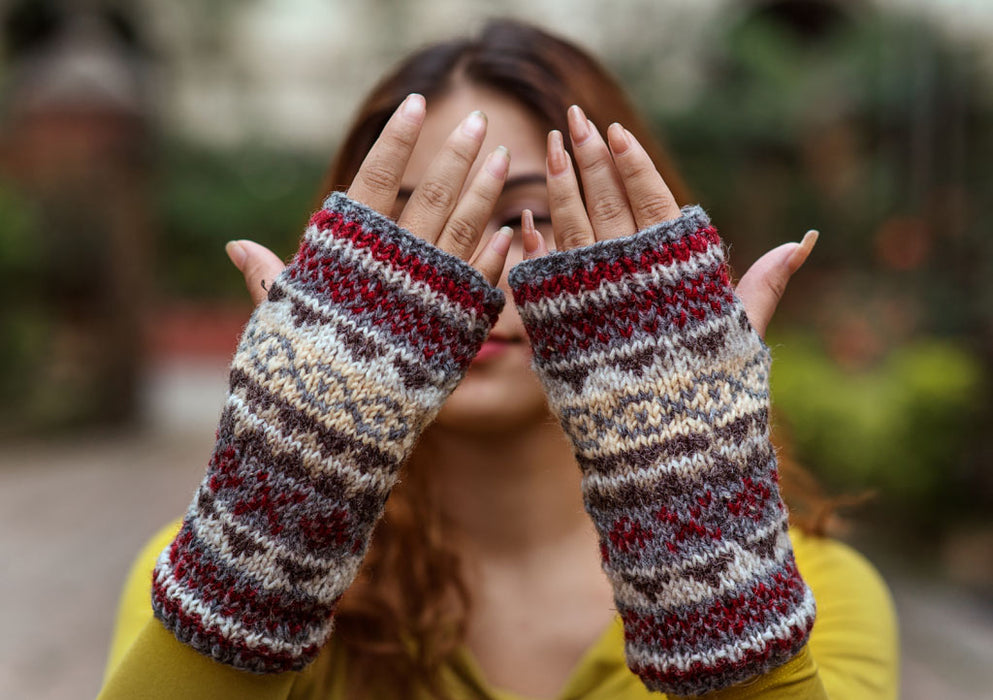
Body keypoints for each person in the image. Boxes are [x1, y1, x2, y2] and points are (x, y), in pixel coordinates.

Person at [98, 19, 897, 700]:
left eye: (531, 214)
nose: (461, 278)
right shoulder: (213, 563)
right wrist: (264, 551)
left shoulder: (813, 596)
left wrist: (714, 594)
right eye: (412, 235)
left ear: (645, 259)